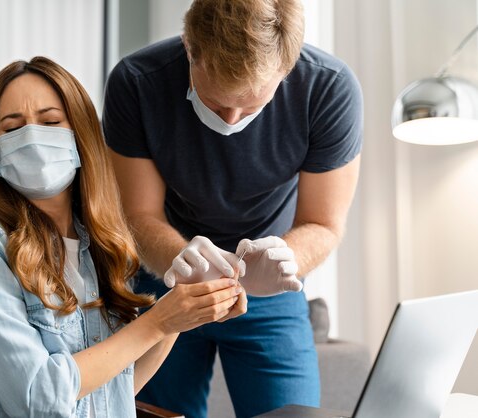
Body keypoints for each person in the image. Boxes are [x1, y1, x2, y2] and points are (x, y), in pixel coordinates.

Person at [0, 56, 247, 418]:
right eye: (12, 128)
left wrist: (182, 312)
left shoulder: (99, 245)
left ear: (79, 135)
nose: (34, 138)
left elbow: (112, 390)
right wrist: (158, 320)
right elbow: (39, 398)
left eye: (51, 121)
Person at [102, 0, 363, 416]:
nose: (234, 118)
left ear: (287, 67)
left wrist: (285, 260)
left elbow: (323, 222)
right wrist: (179, 260)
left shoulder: (329, 89)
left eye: (253, 106)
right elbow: (137, 215)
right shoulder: (137, 82)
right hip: (168, 281)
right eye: (219, 105)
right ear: (190, 48)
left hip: (269, 291)